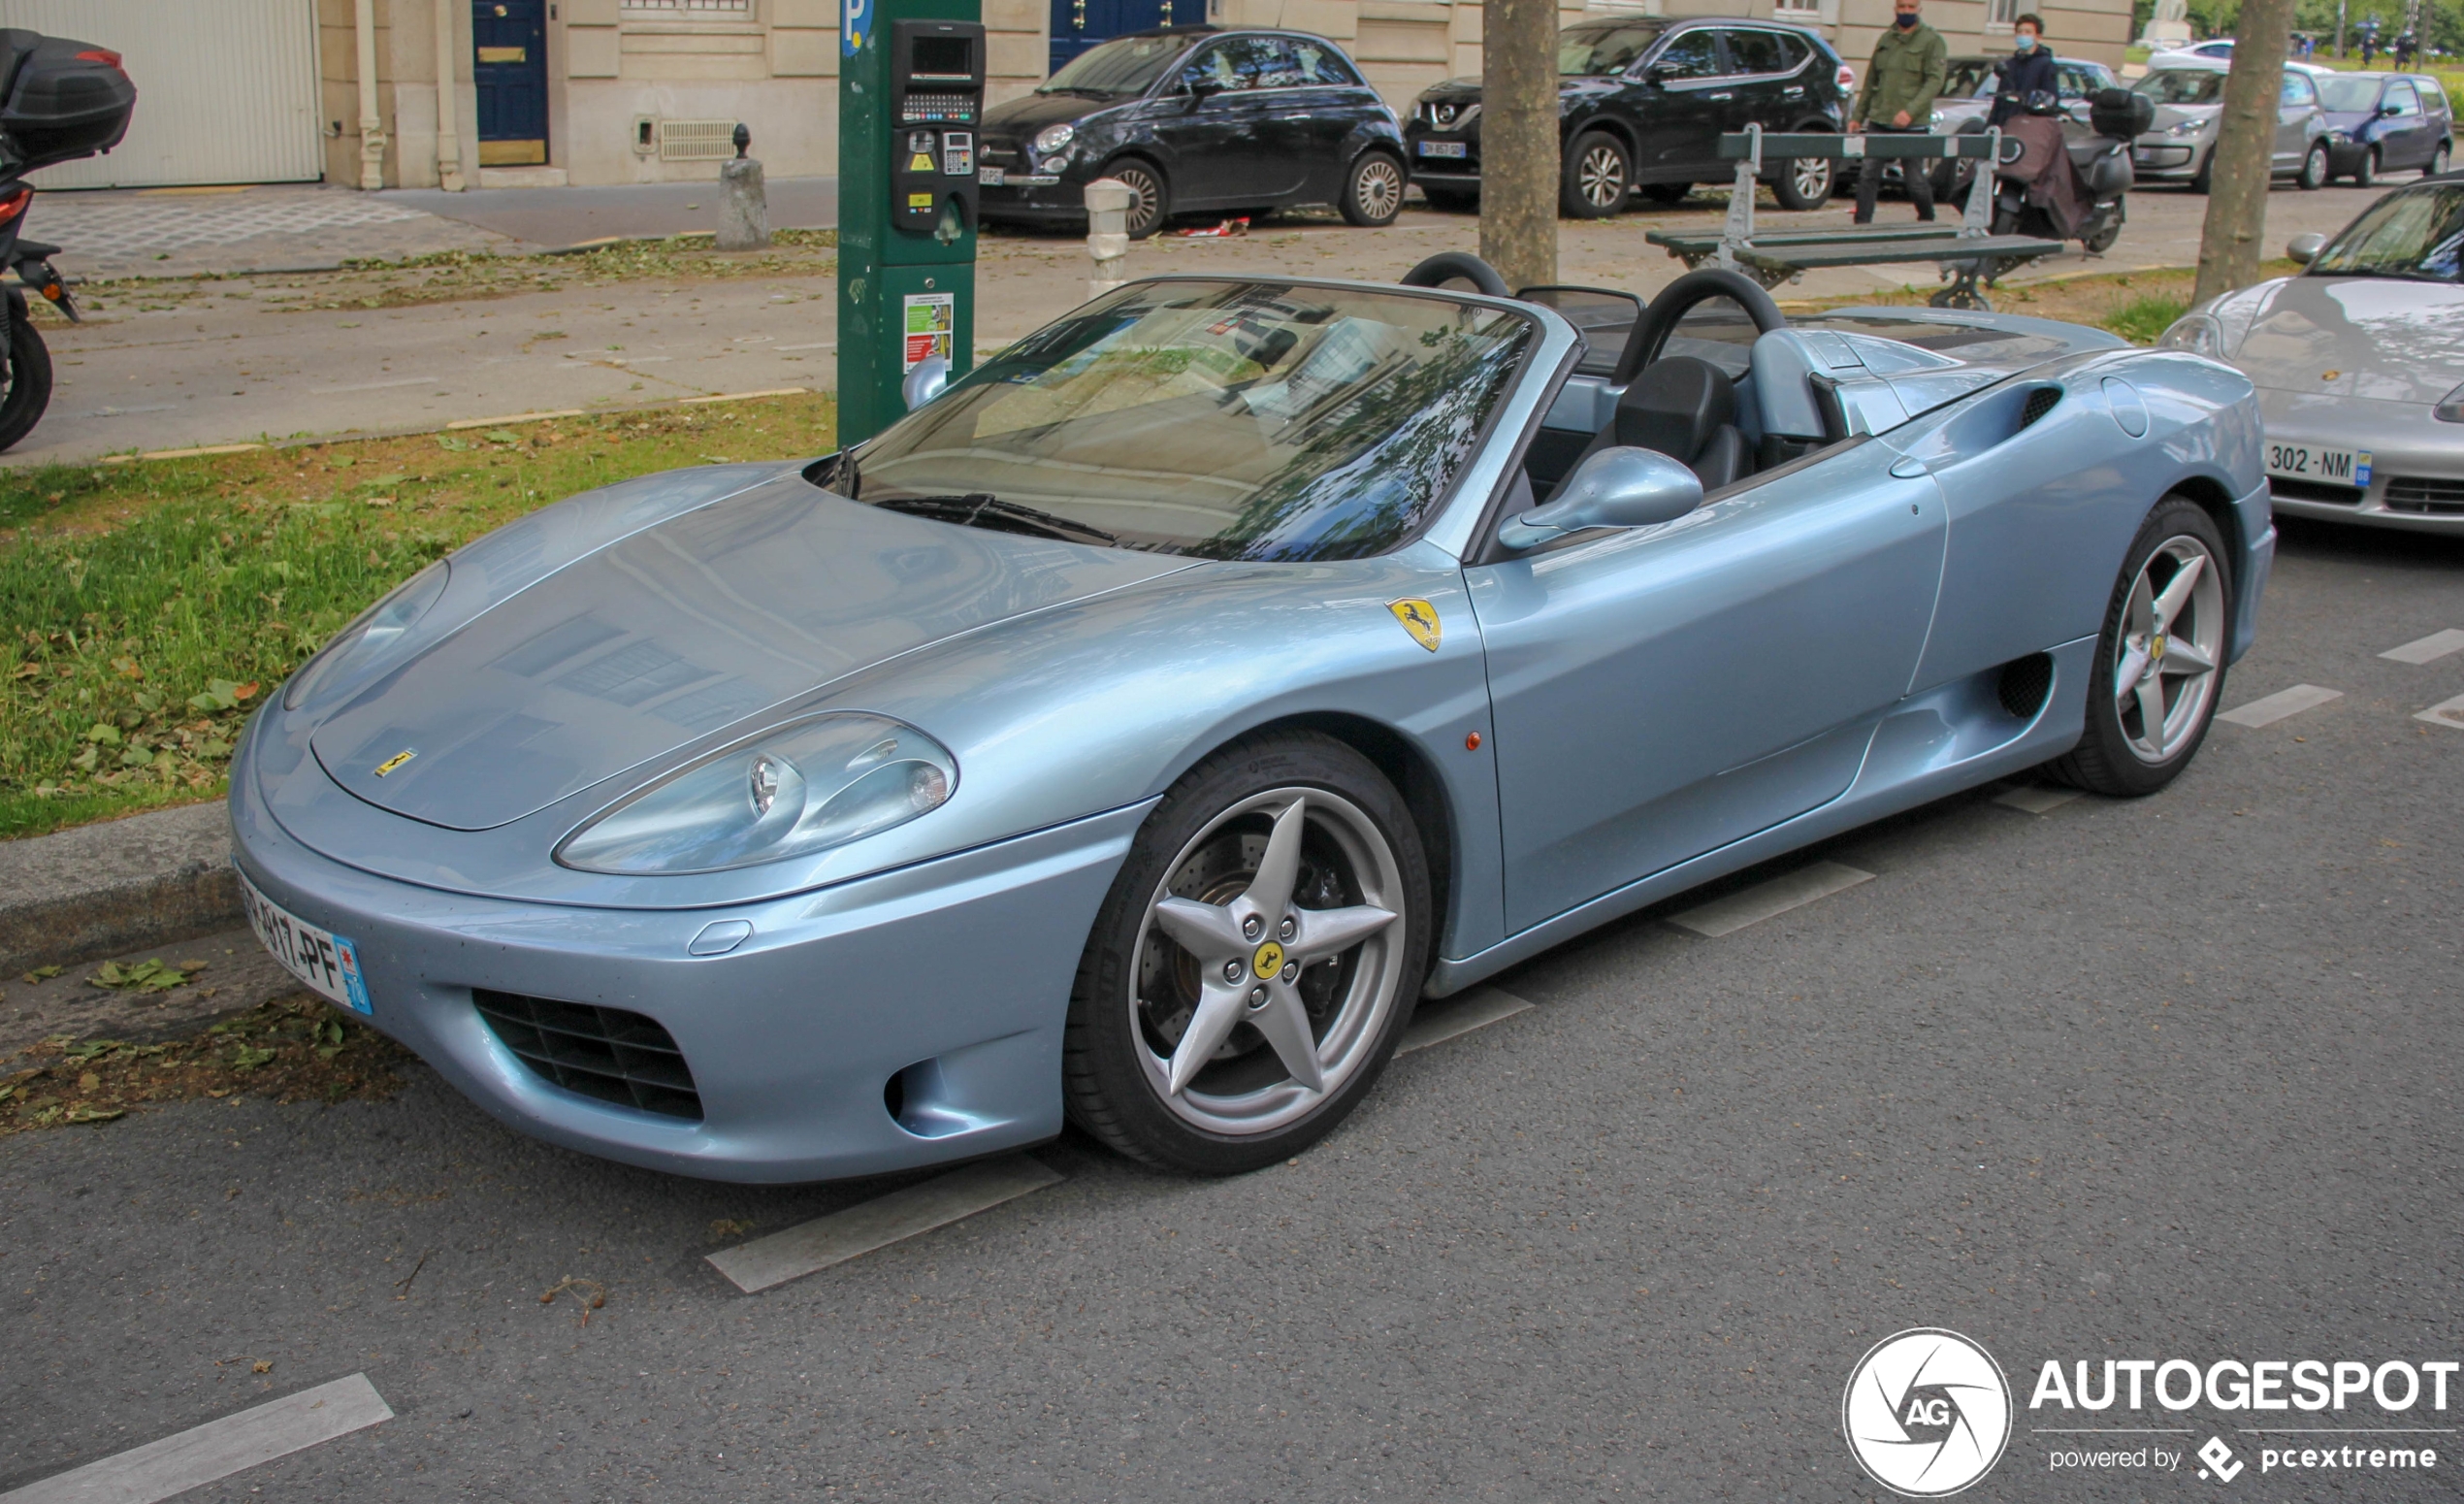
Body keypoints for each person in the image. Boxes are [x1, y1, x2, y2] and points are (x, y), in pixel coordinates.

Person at [1851, 0, 1949, 223]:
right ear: (1895, 9)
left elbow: (1934, 82)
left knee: (1914, 179)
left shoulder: (1932, 41)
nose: (1906, 11)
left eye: (1911, 7)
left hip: (1913, 125)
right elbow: (1871, 81)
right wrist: (1858, 116)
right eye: (1902, 7)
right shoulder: (1886, 39)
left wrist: (1910, 112)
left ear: (1919, 9)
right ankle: (1862, 223)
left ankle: (1927, 219)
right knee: (1868, 173)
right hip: (1880, 119)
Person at [1989, 14, 2059, 128]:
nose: (2023, 35)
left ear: (2038, 37)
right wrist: (1991, 125)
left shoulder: (2045, 64)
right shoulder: (2009, 65)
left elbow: (2050, 99)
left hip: (2030, 127)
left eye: (2028, 32)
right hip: (2006, 124)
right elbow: (1999, 101)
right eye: (2020, 32)